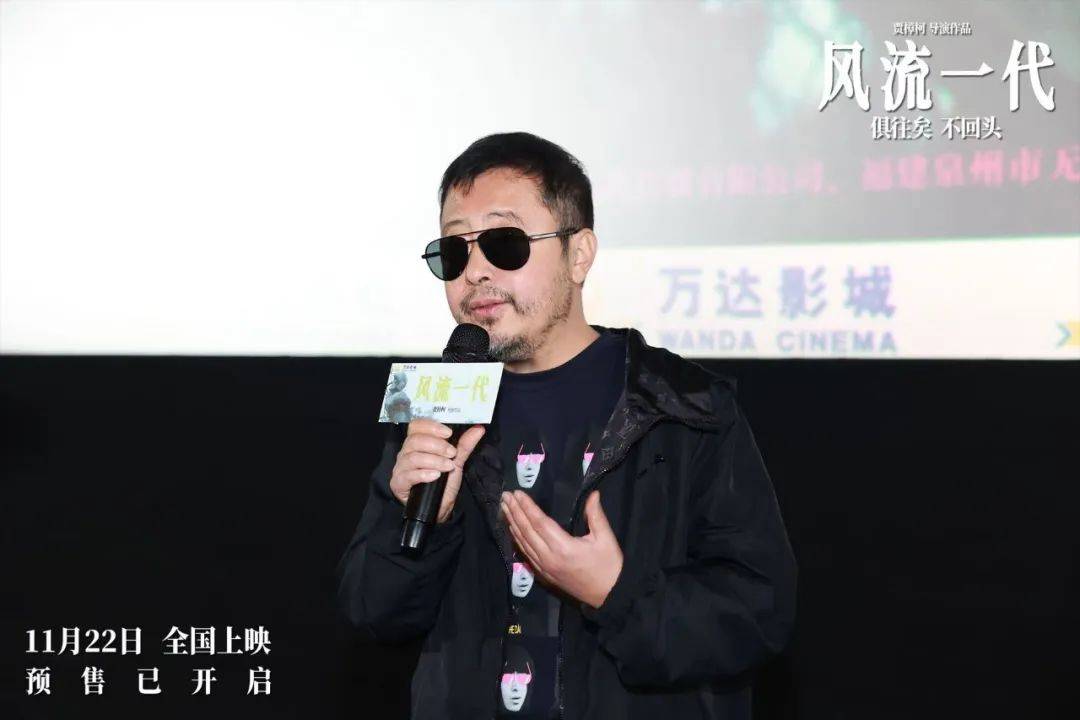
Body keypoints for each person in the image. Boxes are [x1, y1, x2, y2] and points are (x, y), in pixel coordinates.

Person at [336, 132, 797, 720]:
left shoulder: (685, 406)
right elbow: (371, 613)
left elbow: (759, 614)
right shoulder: (435, 407)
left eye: (504, 243)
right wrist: (419, 519)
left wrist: (615, 593)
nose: (474, 272)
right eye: (453, 251)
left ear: (579, 255)